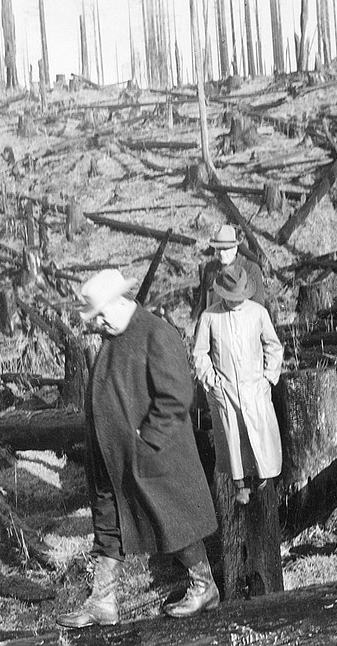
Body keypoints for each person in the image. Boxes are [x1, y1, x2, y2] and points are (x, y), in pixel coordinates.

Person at [56, 269, 220, 629]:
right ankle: (102, 601)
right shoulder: (114, 336)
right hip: (112, 459)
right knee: (109, 526)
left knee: (173, 521)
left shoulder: (155, 333)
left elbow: (177, 395)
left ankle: (204, 586)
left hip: (151, 457)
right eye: (93, 316)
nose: (96, 323)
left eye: (100, 313)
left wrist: (147, 443)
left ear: (121, 301)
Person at [192, 266, 284, 506]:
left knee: (260, 437)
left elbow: (273, 347)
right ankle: (240, 484)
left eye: (239, 297)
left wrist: (267, 377)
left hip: (255, 387)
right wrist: (212, 382)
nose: (235, 302)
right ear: (222, 294)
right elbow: (200, 354)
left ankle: (263, 482)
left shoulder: (258, 313)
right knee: (233, 440)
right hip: (226, 389)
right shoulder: (210, 317)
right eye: (230, 298)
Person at [193, 225, 266, 320]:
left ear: (235, 249)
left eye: (225, 249)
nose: (221, 253)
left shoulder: (250, 269)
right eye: (218, 249)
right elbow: (203, 305)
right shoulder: (210, 269)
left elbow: (258, 309)